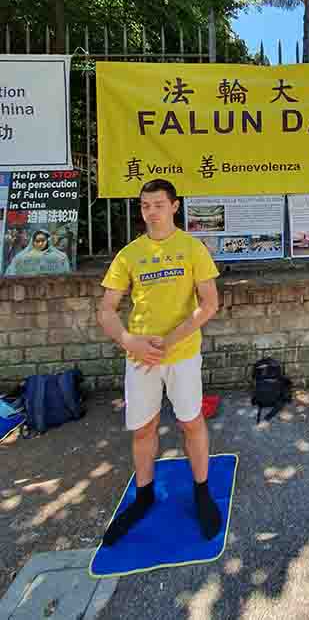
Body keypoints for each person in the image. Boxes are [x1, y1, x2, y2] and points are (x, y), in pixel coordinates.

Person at [97, 178, 221, 545]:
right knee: (143, 429)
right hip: (140, 358)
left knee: (191, 422)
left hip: (181, 355)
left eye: (158, 205)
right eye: (145, 206)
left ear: (174, 206)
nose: (151, 212)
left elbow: (209, 304)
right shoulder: (129, 254)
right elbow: (106, 309)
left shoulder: (192, 248)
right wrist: (129, 340)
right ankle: (144, 494)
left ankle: (201, 492)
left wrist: (169, 341)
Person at [4, 228, 70, 276]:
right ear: (33, 241)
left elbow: (66, 275)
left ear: (48, 241)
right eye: (37, 241)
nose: (40, 243)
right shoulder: (21, 257)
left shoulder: (60, 257)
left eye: (43, 240)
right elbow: (11, 273)